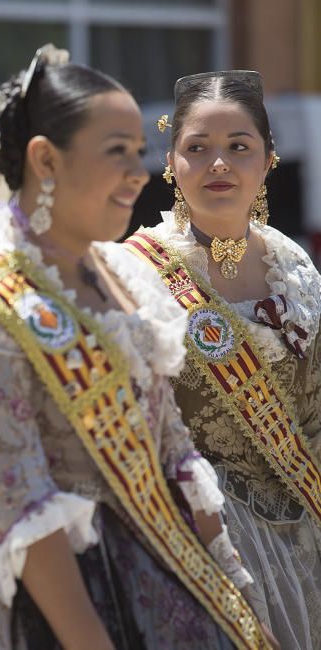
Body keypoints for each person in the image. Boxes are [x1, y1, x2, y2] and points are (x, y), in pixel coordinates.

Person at [0, 46, 274, 650]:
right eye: (114, 153)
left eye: (138, 153)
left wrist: (228, 582)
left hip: (153, 565)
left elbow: (171, 449)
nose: (138, 175)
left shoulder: (121, 278)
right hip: (28, 593)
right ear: (45, 160)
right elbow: (23, 511)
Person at [124, 70, 321, 650]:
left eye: (239, 148)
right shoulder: (134, 271)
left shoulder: (294, 261)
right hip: (204, 538)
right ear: (171, 163)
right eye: (198, 148)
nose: (219, 165)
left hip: (308, 526)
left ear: (267, 160)